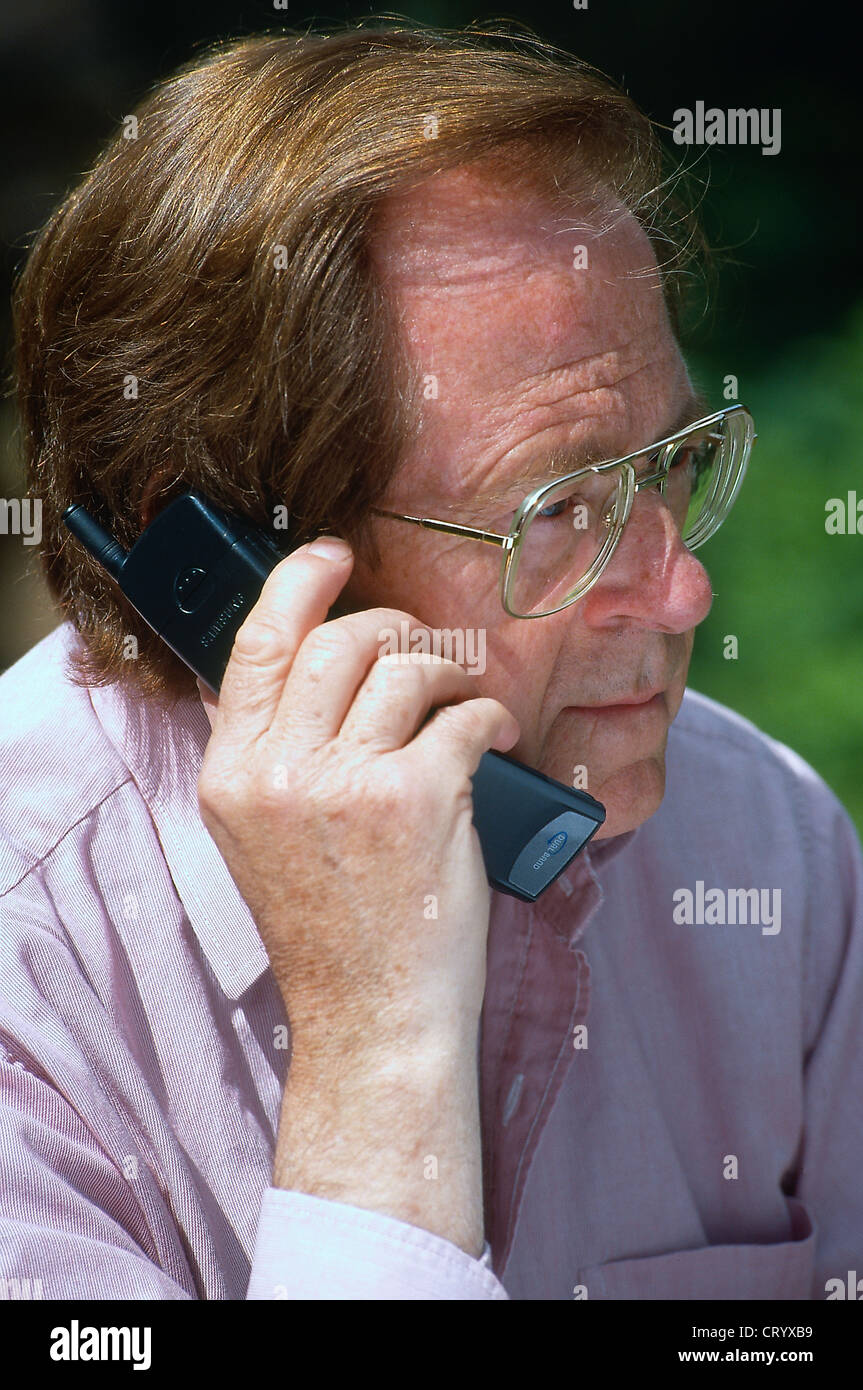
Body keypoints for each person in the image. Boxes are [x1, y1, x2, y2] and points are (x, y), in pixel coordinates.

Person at [1, 22, 861, 1301]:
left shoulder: (762, 841)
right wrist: (374, 1054)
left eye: (672, 463)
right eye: (558, 508)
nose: (683, 588)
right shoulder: (36, 966)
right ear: (251, 572)